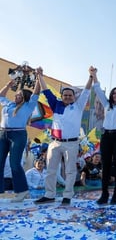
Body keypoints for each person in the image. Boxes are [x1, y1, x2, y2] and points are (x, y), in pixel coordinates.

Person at [34, 66, 92, 206]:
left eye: (70, 95)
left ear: (73, 97)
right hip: (54, 143)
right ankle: (49, 195)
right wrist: (40, 75)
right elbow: (46, 91)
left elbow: (86, 92)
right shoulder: (56, 105)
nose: (67, 97)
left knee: (70, 171)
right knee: (51, 170)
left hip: (71, 143)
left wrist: (91, 76)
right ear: (61, 96)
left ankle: (67, 196)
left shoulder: (78, 106)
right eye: (65, 95)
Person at [90, 66, 116, 205]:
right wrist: (94, 74)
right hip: (106, 136)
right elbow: (97, 88)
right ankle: (104, 194)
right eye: (115, 93)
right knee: (106, 165)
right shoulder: (107, 105)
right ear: (112, 95)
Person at [0, 67, 41, 202]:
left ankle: (22, 191)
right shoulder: (9, 104)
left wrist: (39, 77)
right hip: (3, 134)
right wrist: (8, 85)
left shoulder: (28, 106)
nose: (16, 96)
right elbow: (0, 96)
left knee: (14, 164)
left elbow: (36, 92)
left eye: (19, 95)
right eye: (16, 94)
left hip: (18, 135)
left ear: (24, 97)